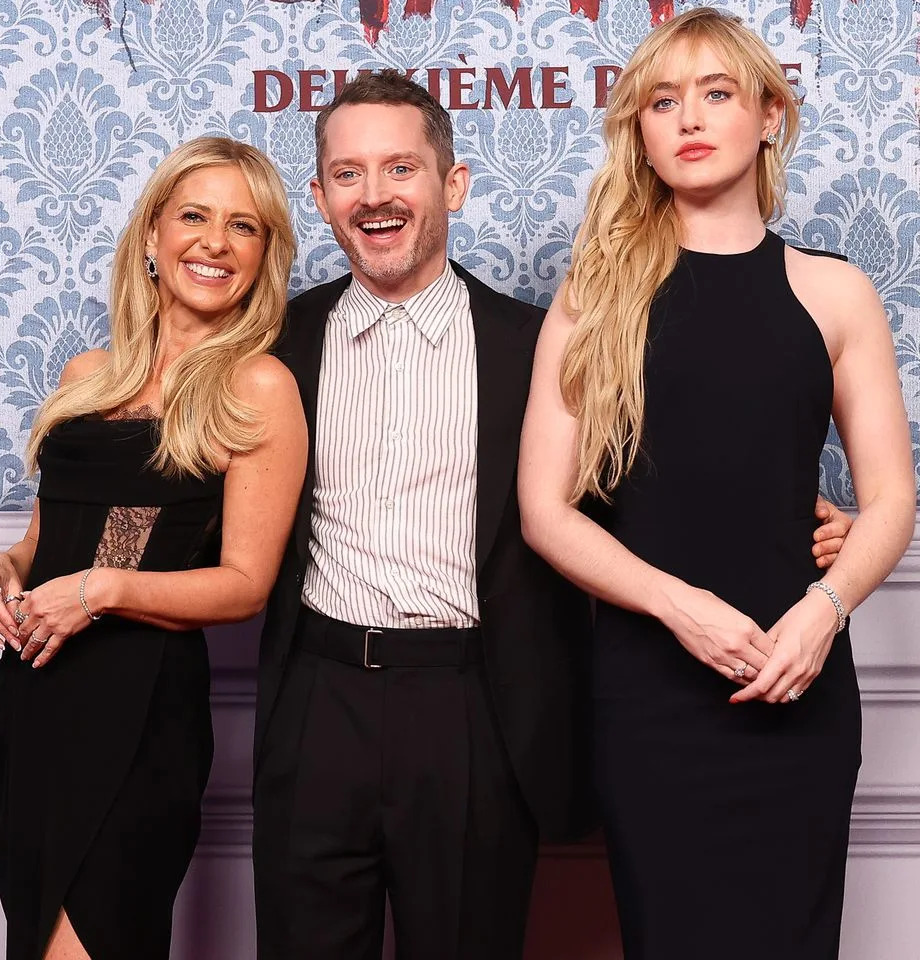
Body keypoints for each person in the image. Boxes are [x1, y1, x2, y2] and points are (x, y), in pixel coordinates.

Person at [251, 69, 850, 960]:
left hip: (475, 710)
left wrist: (802, 512)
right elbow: (166, 474)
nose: (374, 195)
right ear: (321, 196)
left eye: (401, 169)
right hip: (315, 702)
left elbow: (650, 481)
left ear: (451, 184)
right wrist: (37, 553)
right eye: (348, 174)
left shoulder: (540, 341)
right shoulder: (270, 348)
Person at [518, 9, 915, 960]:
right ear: (642, 134)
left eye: (717, 93)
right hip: (650, 696)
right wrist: (678, 607)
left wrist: (824, 610)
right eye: (663, 100)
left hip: (800, 682)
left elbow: (894, 498)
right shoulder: (595, 293)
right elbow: (543, 510)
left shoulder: (835, 292)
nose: (688, 118)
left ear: (770, 115)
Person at [0, 137, 306, 960]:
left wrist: (99, 592)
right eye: (194, 216)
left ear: (264, 257)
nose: (215, 242)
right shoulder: (90, 374)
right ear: (152, 236)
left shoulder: (257, 385)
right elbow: (51, 539)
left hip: (140, 707)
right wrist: (2, 569)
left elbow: (244, 585)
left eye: (244, 227)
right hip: (36, 700)